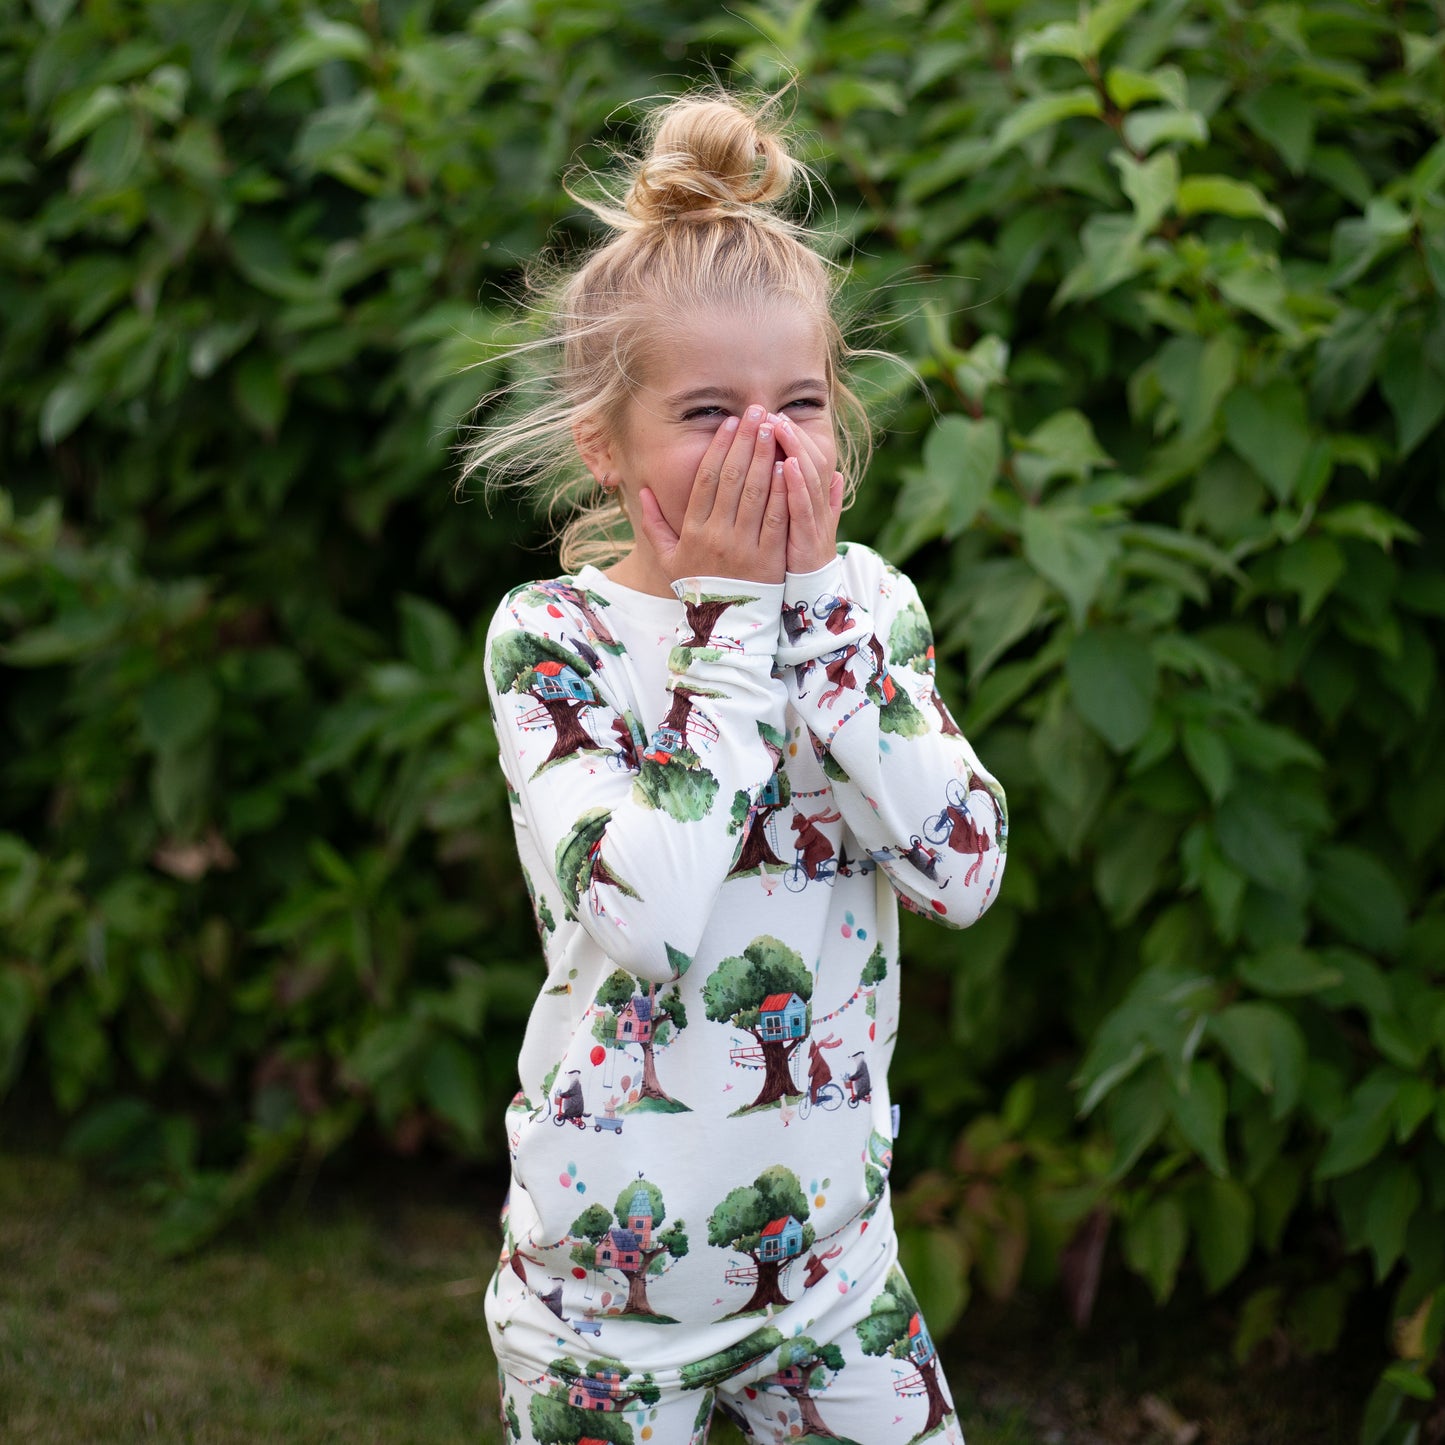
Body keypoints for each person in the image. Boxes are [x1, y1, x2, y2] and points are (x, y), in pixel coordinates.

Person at [469, 87, 1007, 1445]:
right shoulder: (556, 641)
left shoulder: (865, 609)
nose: (766, 444)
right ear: (605, 445)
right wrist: (725, 630)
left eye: (801, 404)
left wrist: (811, 613)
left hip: (834, 1273)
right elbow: (644, 917)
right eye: (709, 411)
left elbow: (961, 871)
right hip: (605, 1298)